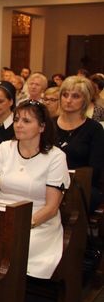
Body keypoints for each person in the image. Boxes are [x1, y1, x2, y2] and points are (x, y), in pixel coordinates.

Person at [0, 100, 70, 279]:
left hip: (37, 221)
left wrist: (20, 225)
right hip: (2, 215)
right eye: (16, 120)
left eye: (26, 121)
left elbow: (51, 207)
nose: (18, 125)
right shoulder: (4, 148)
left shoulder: (55, 157)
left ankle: (8, 291)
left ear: (42, 127)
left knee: (13, 246)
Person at [54, 76, 104, 211]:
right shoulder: (49, 124)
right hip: (48, 182)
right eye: (65, 95)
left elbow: (95, 169)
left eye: (75, 96)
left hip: (80, 185)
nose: (68, 100)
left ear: (85, 100)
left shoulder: (94, 129)